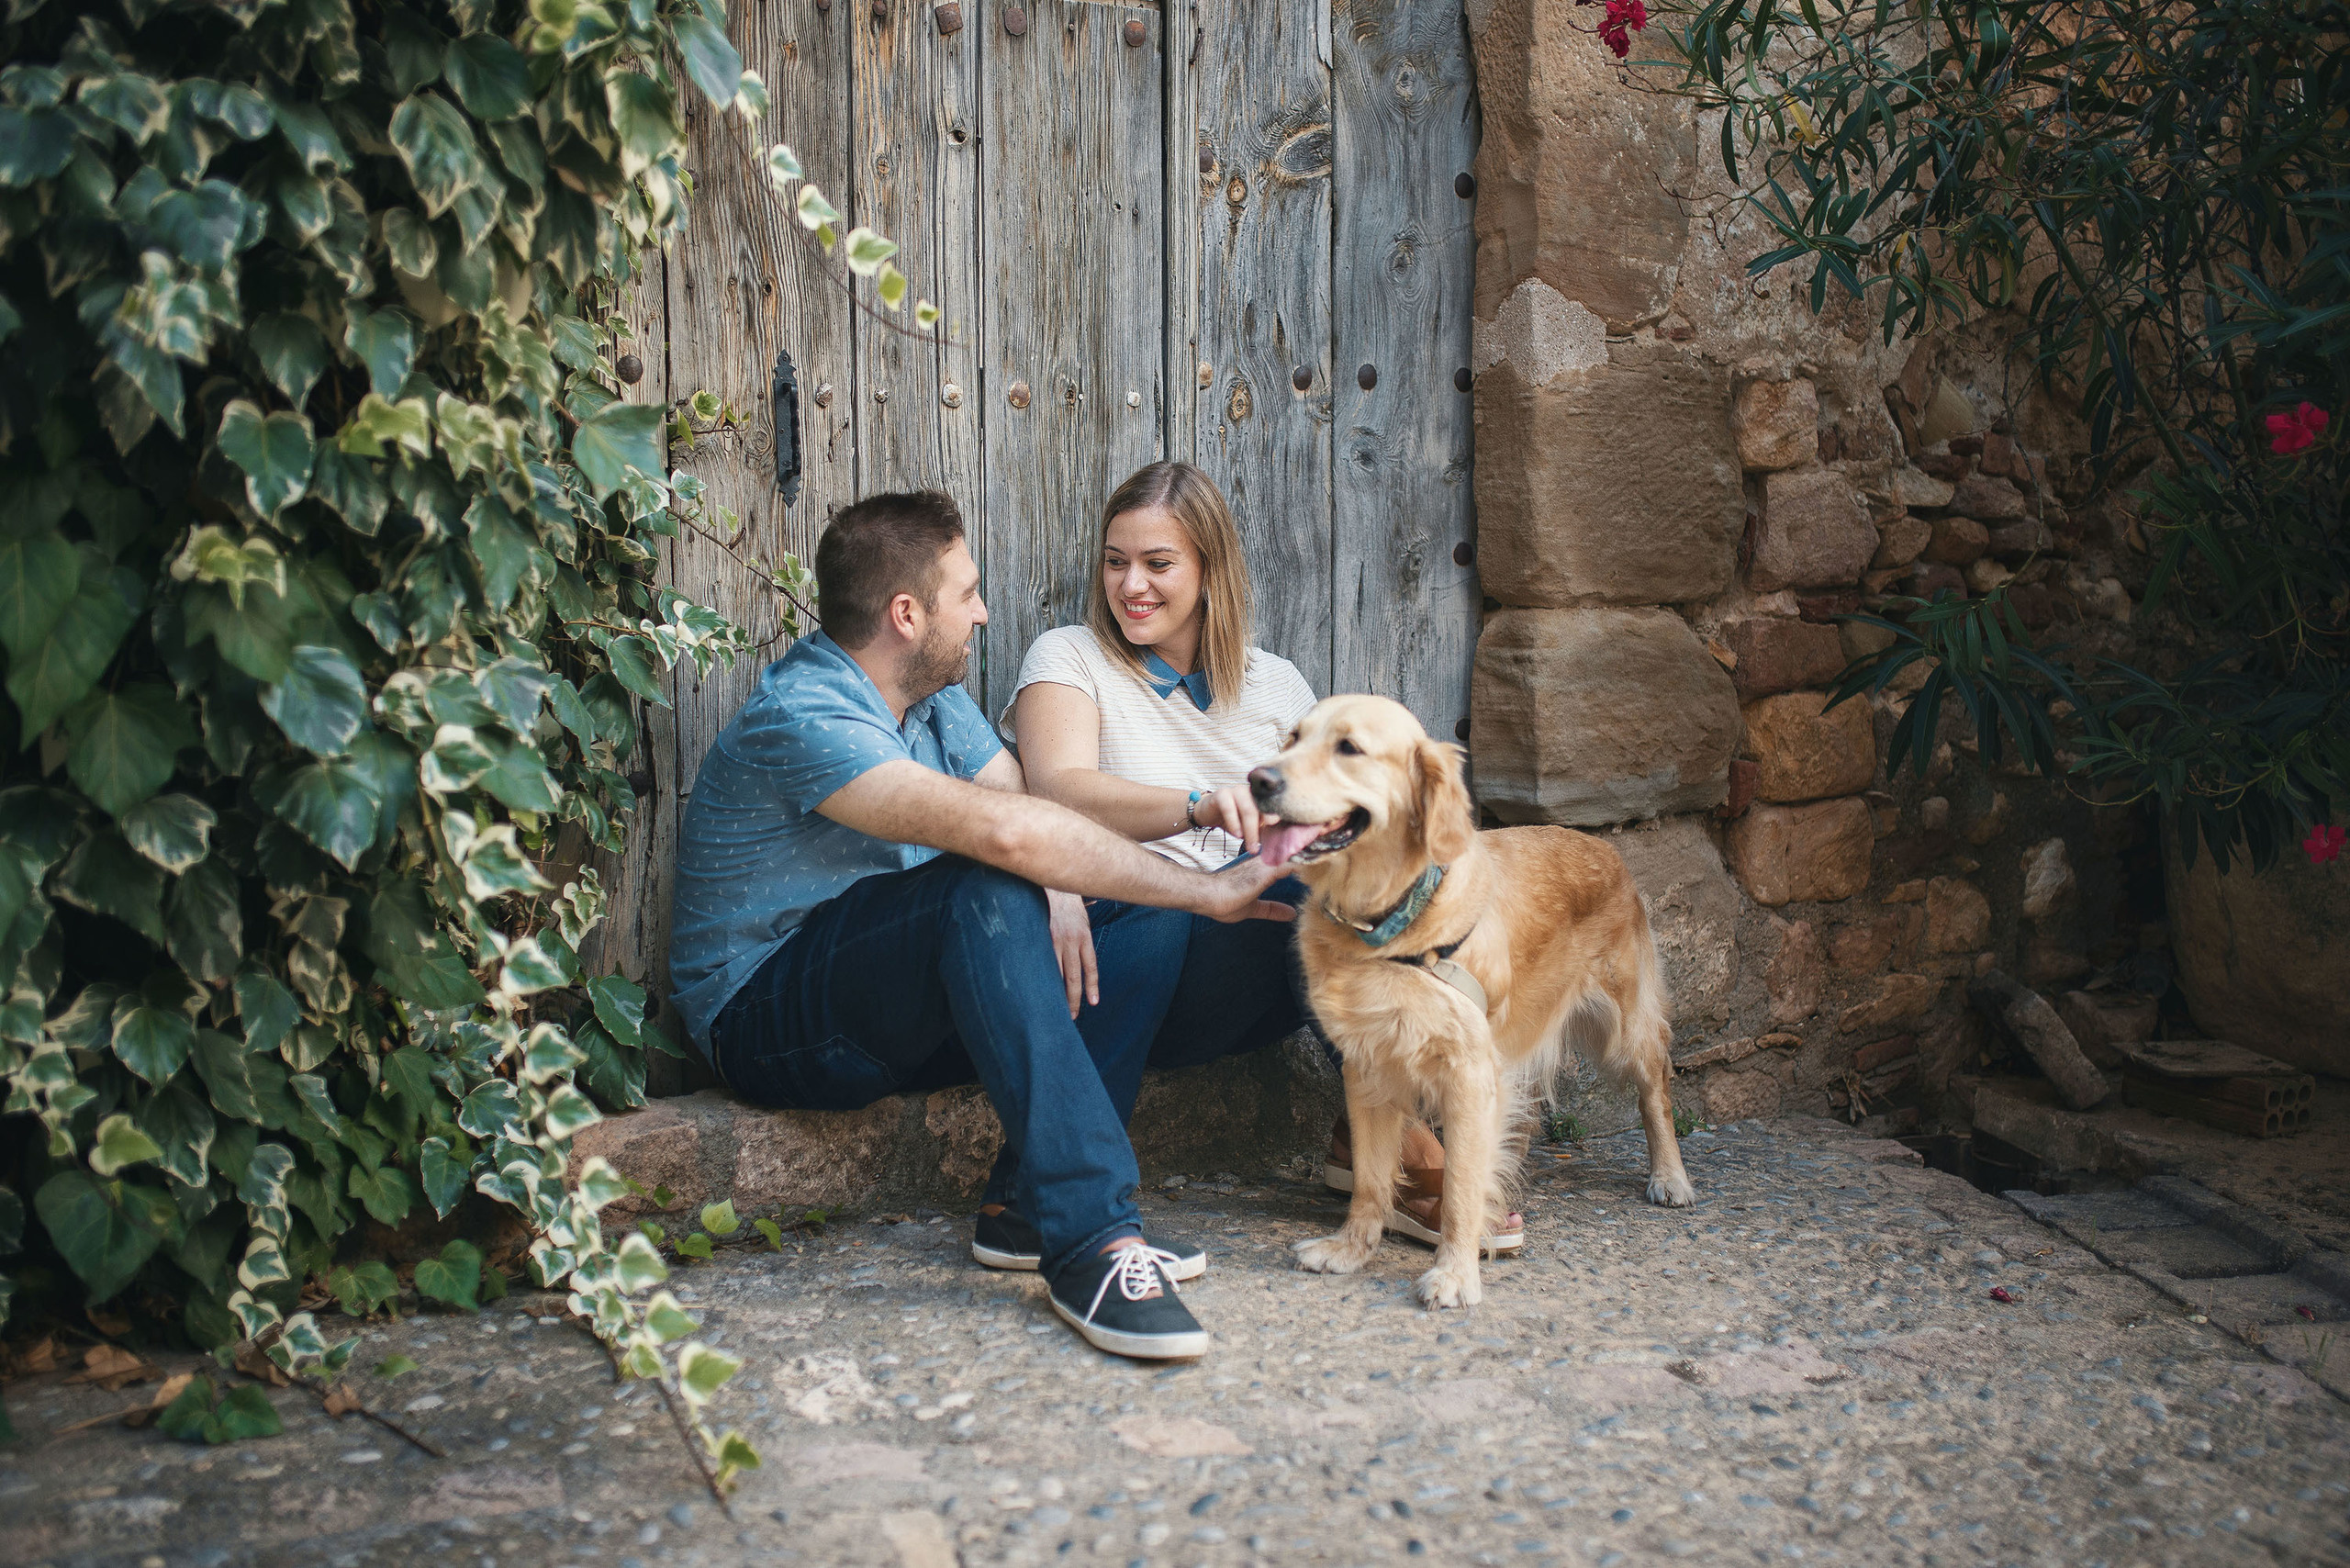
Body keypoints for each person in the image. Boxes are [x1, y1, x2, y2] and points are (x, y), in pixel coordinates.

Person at [667, 490, 1294, 1360]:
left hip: (900, 1005)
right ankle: (1093, 1240)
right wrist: (1205, 892)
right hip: (768, 1019)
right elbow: (1003, 837)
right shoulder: (806, 713)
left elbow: (1020, 803)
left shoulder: (934, 698)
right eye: (968, 593)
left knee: (1123, 909)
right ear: (906, 614)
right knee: (991, 885)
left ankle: (1025, 1212)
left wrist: (1077, 895)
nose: (984, 611)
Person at [1004, 462, 1523, 1255]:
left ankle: (1385, 1143)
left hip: (1230, 979)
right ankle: (1050, 1186)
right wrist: (1198, 805)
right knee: (1176, 910)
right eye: (1116, 561)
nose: (1131, 585)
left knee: (1327, 897)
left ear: (1211, 570)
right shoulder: (1069, 657)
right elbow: (1058, 786)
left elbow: (1339, 814)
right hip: (1115, 955)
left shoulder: (1278, 688)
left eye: (1158, 564)